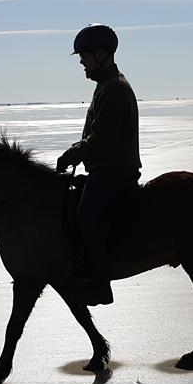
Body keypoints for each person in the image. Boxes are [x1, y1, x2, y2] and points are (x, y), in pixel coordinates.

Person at [57, 24, 141, 306]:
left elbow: (102, 140)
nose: (82, 63)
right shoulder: (107, 85)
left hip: (113, 174)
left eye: (84, 57)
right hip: (105, 171)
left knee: (85, 218)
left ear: (101, 54)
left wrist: (71, 154)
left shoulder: (114, 89)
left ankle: (100, 286)